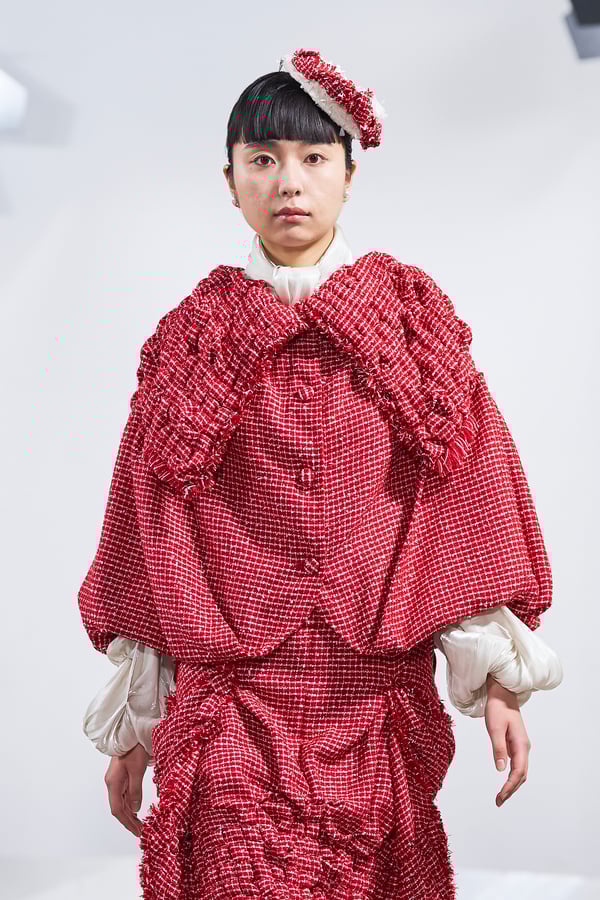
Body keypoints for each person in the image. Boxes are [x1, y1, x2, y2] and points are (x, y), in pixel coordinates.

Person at [78, 48, 563, 900]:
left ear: (349, 173)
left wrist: (499, 685)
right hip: (232, 705)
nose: (289, 183)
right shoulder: (195, 340)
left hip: (372, 703)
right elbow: (150, 531)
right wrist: (134, 728)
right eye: (263, 160)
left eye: (312, 158)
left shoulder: (409, 327)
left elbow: (461, 504)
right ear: (231, 181)